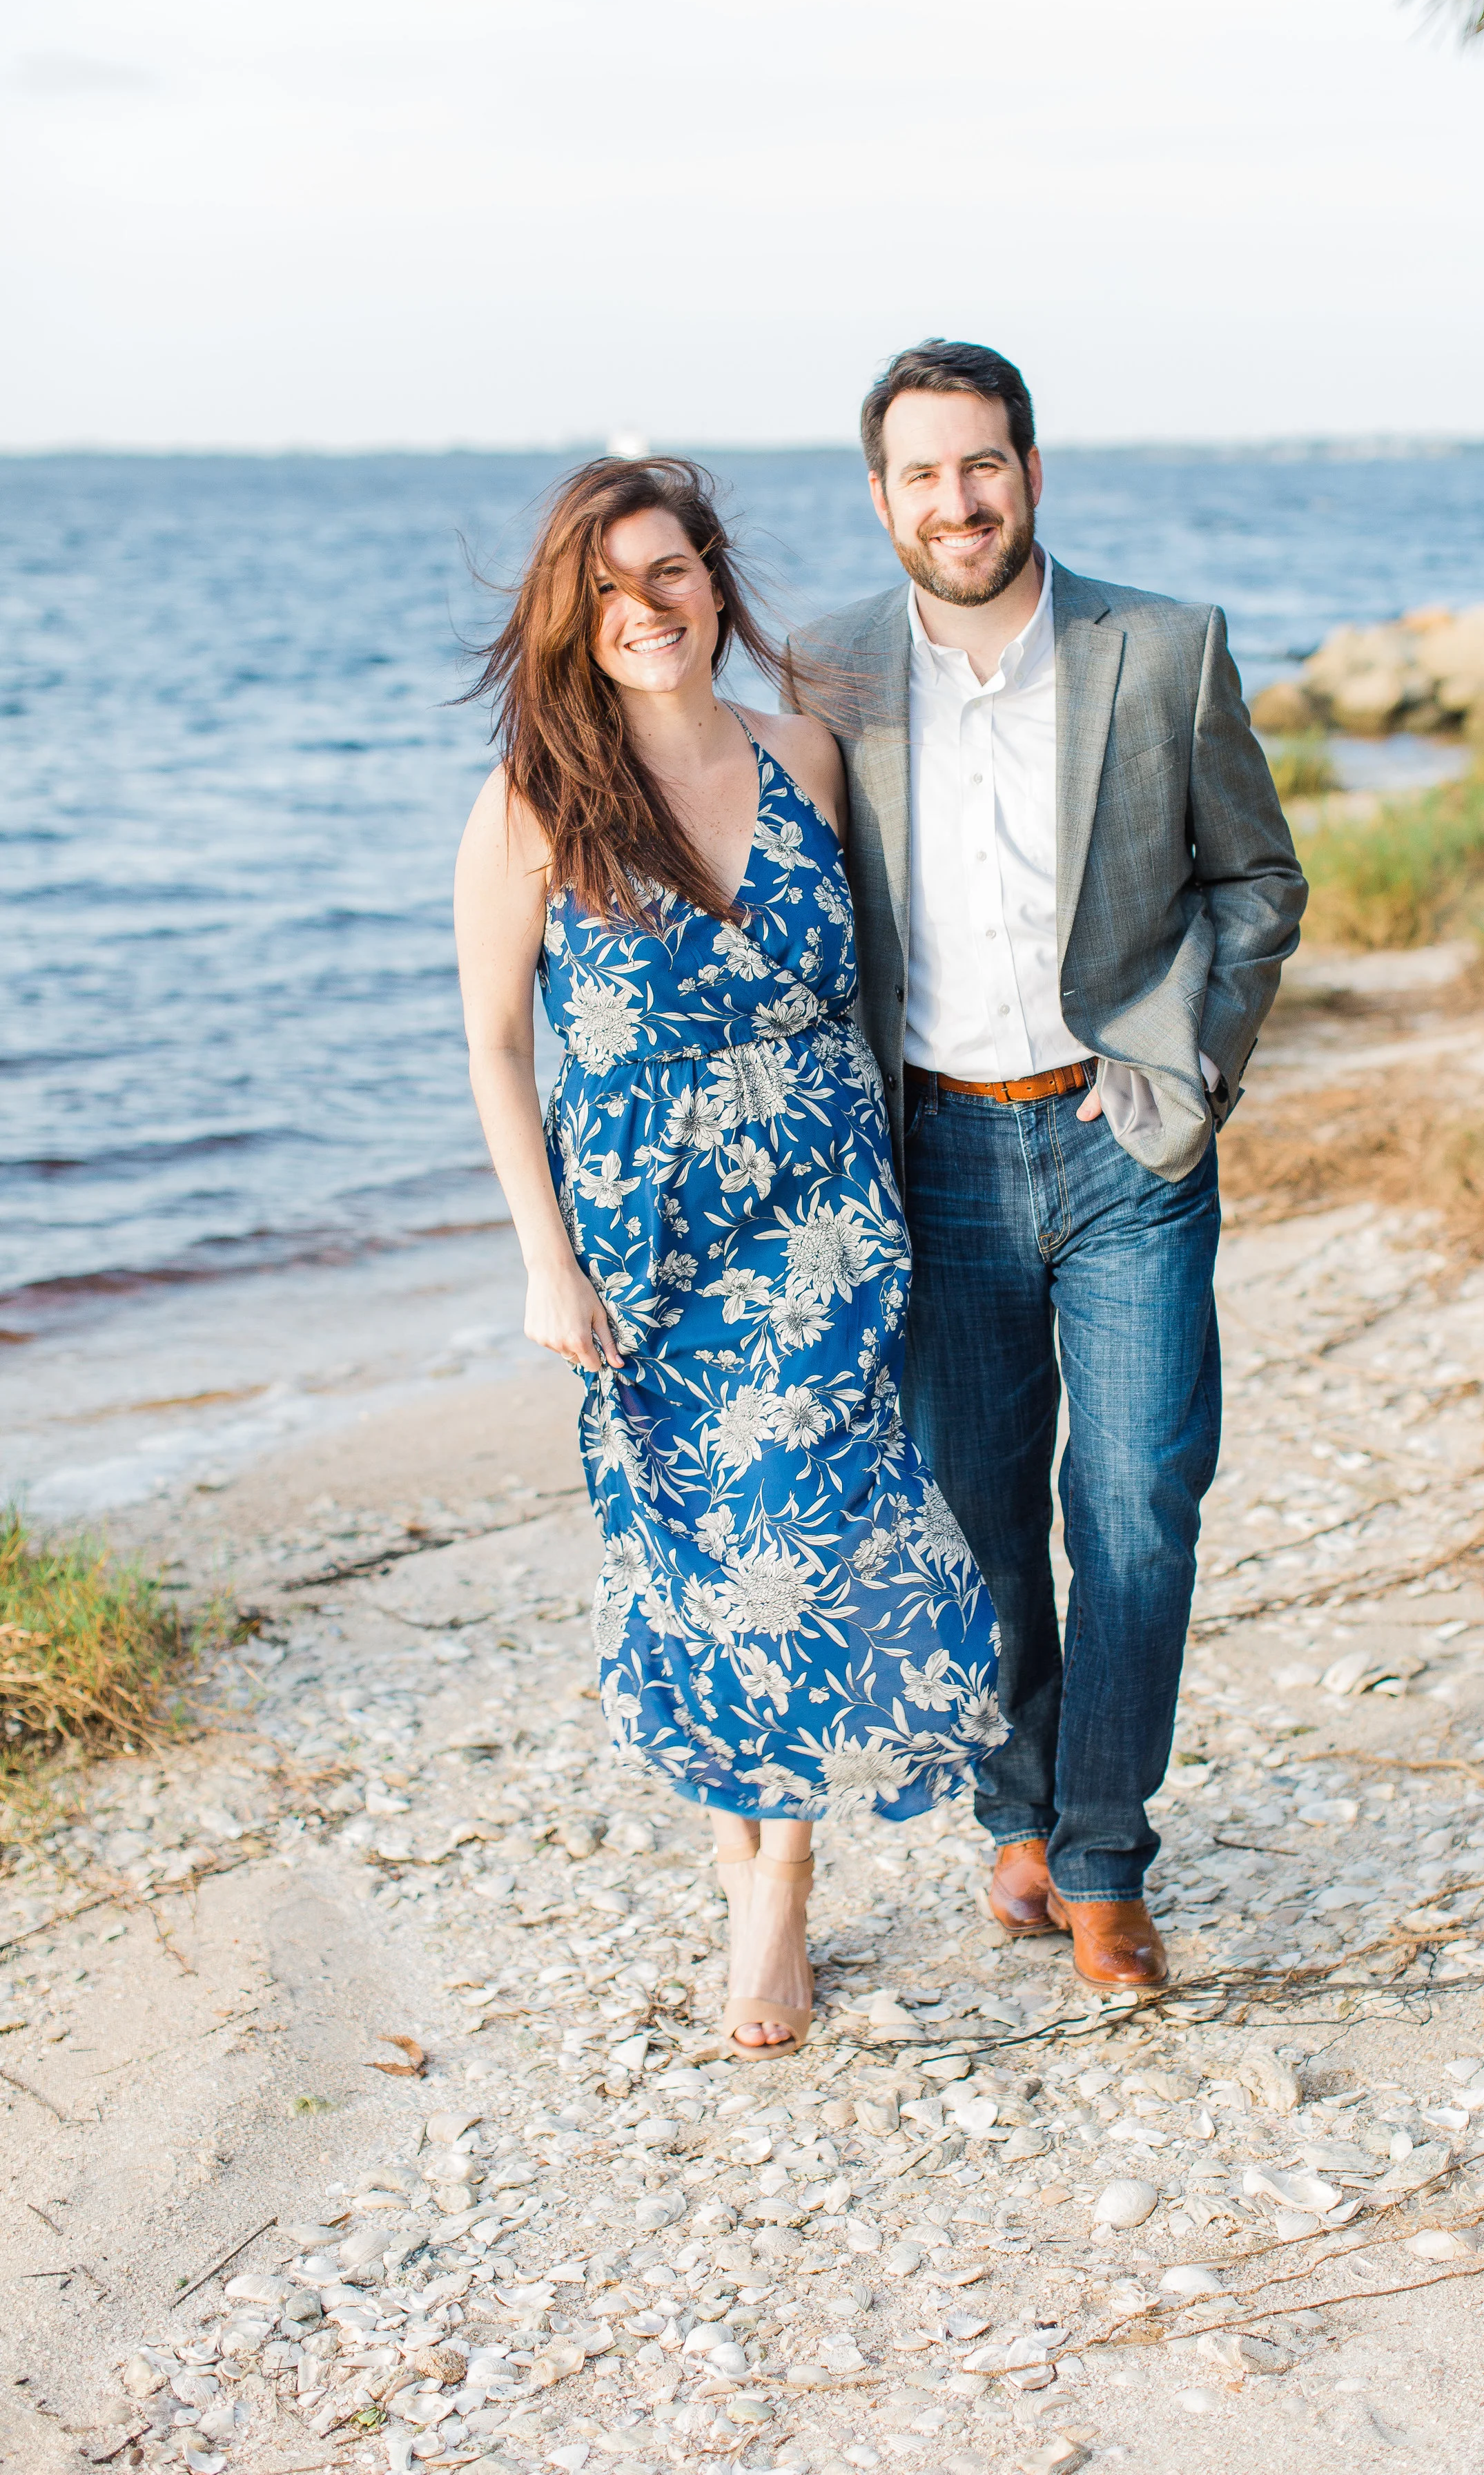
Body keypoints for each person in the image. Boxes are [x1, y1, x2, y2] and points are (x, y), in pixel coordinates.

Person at [452, 456, 1002, 2061]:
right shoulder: (531, 803)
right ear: (574, 616)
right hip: (640, 1249)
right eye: (610, 589)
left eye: (671, 574)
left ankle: (786, 1883)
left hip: (822, 1228)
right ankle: (748, 1872)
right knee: (691, 1571)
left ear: (715, 581)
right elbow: (494, 1049)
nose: (647, 611)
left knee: (811, 1539)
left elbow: (876, 985)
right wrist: (543, 1263)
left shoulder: (807, 760)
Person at [785, 342, 1307, 1992]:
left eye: (983, 463)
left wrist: (1191, 1064)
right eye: (923, 474)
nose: (959, 500)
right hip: (931, 1149)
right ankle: (1017, 1813)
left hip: (1121, 1143)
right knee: (982, 1523)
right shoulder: (825, 677)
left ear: (1030, 470)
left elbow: (1257, 879)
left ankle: (1101, 1856)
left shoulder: (1158, 647)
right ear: (881, 500)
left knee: (1138, 1505)